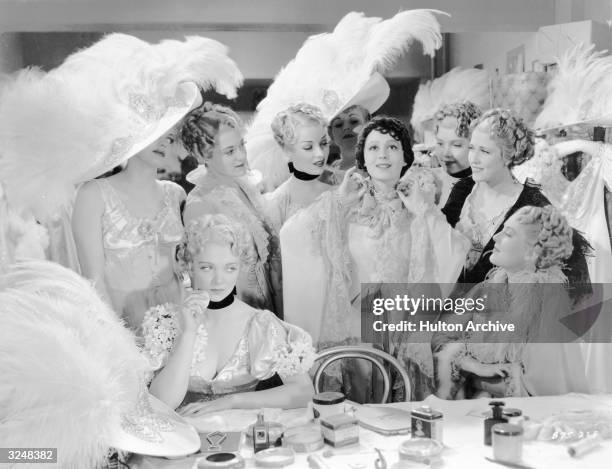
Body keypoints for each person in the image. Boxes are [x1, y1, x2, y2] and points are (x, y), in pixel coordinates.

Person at [281, 116, 470, 400]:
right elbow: (292, 235)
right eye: (373, 148)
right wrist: (340, 202)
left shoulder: (418, 205)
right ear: (362, 158)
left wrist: (424, 211)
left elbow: (454, 249)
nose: (382, 155)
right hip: (356, 322)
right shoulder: (342, 203)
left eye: (392, 147)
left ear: (406, 156)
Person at [143, 214, 315, 414]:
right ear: (189, 266)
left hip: (245, 436)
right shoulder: (165, 321)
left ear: (240, 267)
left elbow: (303, 392)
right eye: (207, 268)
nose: (219, 281)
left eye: (230, 268)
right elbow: (160, 404)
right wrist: (188, 333)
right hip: (186, 436)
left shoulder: (260, 324)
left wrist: (232, 401)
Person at [433, 205, 589, 399]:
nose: (496, 237)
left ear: (532, 252)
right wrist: (474, 366)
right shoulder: (486, 289)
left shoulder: (549, 301)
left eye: (508, 233)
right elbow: (441, 337)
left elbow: (542, 389)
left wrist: (477, 379)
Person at [448, 108, 591, 302]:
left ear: (508, 156)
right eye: (472, 148)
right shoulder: (463, 190)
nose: (473, 159)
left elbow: (576, 283)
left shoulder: (534, 207)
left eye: (485, 151)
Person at [181, 102, 282, 316]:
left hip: (268, 301)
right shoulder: (200, 203)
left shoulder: (243, 184)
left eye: (241, 145)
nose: (241, 156)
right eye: (229, 151)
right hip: (237, 309)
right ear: (202, 154)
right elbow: (207, 279)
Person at [265, 103, 332, 229]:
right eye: (308, 147)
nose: (320, 154)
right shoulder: (277, 204)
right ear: (286, 151)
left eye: (324, 143)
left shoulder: (338, 191)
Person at [434, 101, 483, 215]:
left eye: (456, 145)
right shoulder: (428, 179)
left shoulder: (482, 187)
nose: (446, 154)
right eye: (440, 143)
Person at [320, 104, 371, 185]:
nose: (346, 128)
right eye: (338, 124)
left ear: (368, 126)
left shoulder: (381, 165)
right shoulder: (326, 175)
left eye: (354, 121)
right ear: (330, 133)